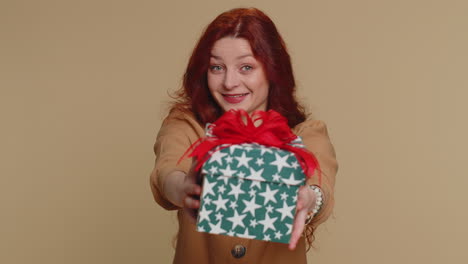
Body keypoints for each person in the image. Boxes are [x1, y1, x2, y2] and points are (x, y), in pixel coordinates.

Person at [149, 7, 338, 264]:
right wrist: (182, 188)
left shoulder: (306, 133)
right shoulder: (186, 125)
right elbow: (167, 170)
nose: (229, 82)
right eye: (217, 67)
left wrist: (309, 198)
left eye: (246, 67)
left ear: (272, 70)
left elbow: (321, 182)